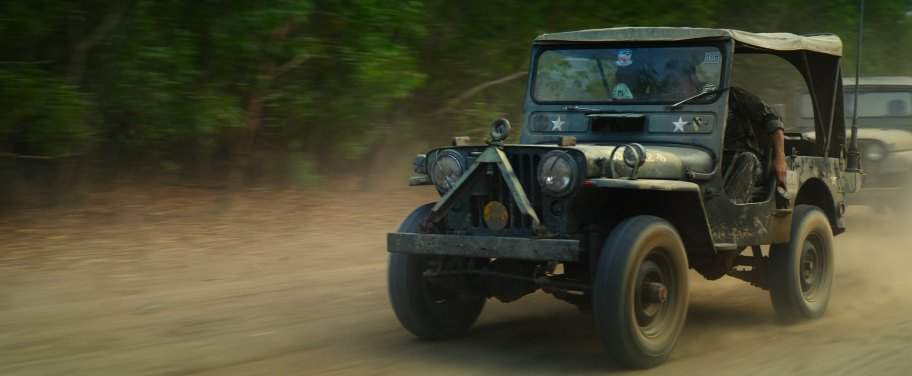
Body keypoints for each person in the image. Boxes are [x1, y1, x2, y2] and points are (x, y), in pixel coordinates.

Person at [723, 87, 788, 203]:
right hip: (715, 162)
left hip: (744, 161)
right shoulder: (685, 103)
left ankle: (731, 216)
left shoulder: (733, 96)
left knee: (747, 159)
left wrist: (780, 158)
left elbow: (772, 120)